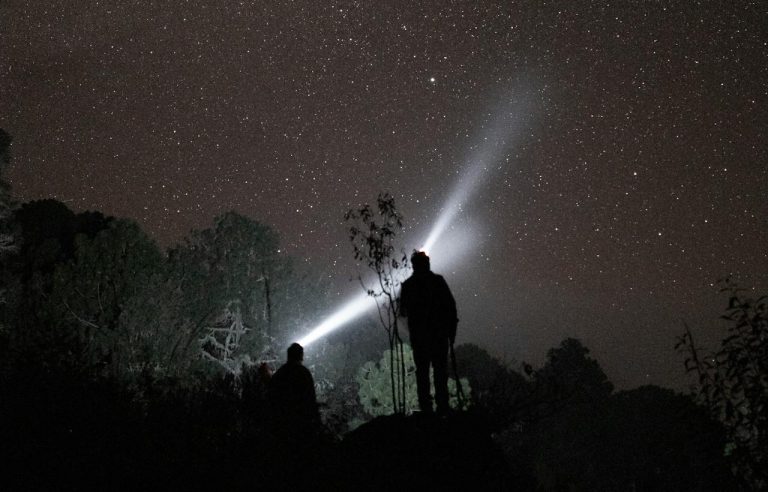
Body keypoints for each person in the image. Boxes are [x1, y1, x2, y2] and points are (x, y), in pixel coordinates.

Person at [399, 251, 458, 414]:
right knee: (440, 371)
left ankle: (426, 408)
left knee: (423, 372)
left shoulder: (408, 285)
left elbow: (402, 311)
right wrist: (451, 331)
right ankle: (442, 406)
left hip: (420, 336)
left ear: (414, 265)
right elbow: (450, 307)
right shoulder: (438, 281)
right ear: (427, 264)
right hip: (438, 335)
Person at [268, 343, 319, 435]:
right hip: (301, 421)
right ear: (301, 356)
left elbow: (272, 393)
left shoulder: (281, 373)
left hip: (282, 421)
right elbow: (311, 398)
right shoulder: (304, 373)